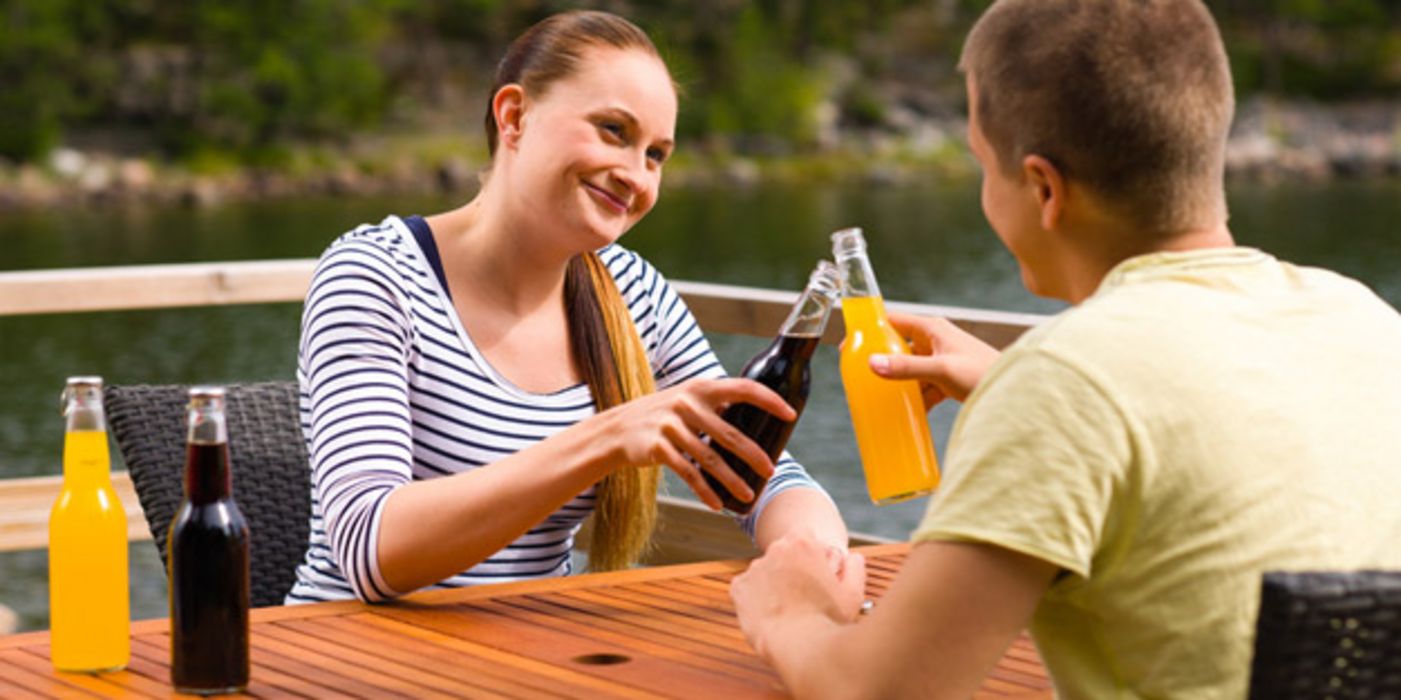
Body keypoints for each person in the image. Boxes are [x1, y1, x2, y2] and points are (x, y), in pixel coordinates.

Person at [729, 0, 1401, 697]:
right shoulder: (1365, 317)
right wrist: (1007, 387)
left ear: (1044, 188)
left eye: (984, 168)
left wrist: (789, 611)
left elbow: (878, 690)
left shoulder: (1062, 380)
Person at [288, 10, 847, 604]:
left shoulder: (633, 292)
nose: (636, 175)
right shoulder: (376, 275)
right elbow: (371, 552)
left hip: (534, 655)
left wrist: (818, 556)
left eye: (656, 155)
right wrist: (605, 439)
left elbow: (761, 472)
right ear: (514, 116)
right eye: (613, 130)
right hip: (350, 657)